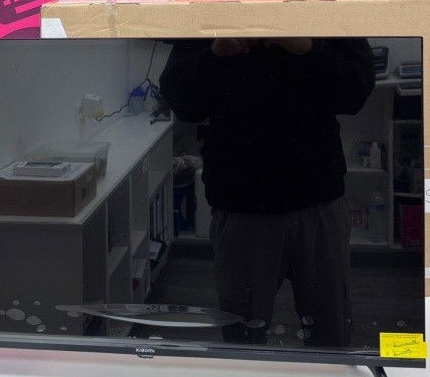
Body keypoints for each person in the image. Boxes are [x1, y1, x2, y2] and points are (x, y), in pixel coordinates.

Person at [159, 36, 375, 347]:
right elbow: (183, 104)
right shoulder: (213, 17)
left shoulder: (323, 12)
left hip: (317, 200)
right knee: (243, 335)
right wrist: (215, 54)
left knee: (331, 328)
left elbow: (356, 93)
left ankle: (330, 374)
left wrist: (308, 48)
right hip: (243, 205)